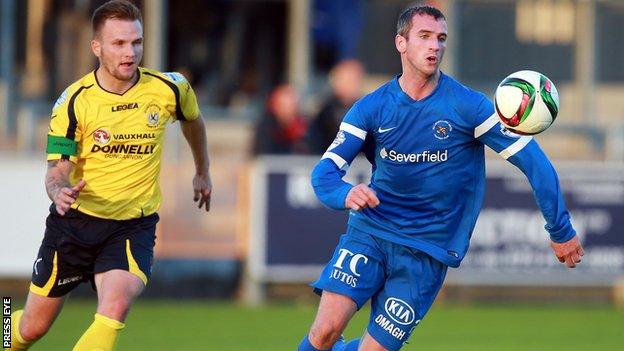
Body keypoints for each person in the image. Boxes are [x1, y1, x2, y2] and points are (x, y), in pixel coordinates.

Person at [298, 6, 584, 351]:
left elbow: (535, 162)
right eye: (424, 37)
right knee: (325, 331)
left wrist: (561, 230)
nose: (434, 46)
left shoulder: (468, 107)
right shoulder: (371, 108)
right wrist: (344, 193)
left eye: (441, 38)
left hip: (427, 252)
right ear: (401, 43)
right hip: (370, 233)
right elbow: (325, 172)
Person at [7, 1, 212, 350]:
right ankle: (5, 326)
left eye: (137, 42)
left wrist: (202, 171)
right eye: (119, 43)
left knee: (114, 308)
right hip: (75, 224)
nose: (130, 52)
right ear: (97, 47)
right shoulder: (73, 102)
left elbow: (193, 119)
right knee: (30, 328)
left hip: (132, 226)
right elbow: (56, 170)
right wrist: (59, 191)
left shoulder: (170, 89)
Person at [309, 59, 365, 154]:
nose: (353, 84)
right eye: (348, 80)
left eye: (355, 80)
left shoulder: (368, 109)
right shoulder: (325, 113)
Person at [253, 84, 309, 155]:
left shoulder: (304, 129)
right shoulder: (266, 129)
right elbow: (261, 155)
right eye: (282, 106)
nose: (286, 111)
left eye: (290, 106)